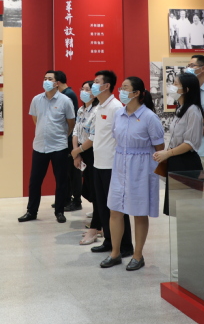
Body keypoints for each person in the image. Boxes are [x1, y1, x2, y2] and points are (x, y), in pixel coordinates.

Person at [101, 76, 165, 270]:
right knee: (115, 210)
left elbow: (159, 147)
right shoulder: (118, 114)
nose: (121, 91)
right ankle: (115, 253)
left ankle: (138, 255)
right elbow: (116, 137)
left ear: (136, 93)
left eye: (125, 88)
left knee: (139, 212)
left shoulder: (149, 117)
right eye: (121, 87)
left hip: (141, 168)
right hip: (120, 165)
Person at [19, 71, 76, 224]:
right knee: (35, 181)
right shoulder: (36, 99)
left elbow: (71, 123)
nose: (46, 81)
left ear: (57, 83)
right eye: (45, 78)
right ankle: (31, 211)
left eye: (50, 79)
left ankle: (59, 211)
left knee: (61, 181)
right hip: (39, 146)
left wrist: (60, 136)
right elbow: (35, 119)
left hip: (59, 146)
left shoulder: (65, 101)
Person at [88, 70, 134, 258]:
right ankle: (109, 241)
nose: (93, 85)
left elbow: (122, 136)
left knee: (117, 208)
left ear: (106, 86)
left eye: (96, 81)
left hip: (112, 165)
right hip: (98, 163)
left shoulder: (116, 107)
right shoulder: (99, 107)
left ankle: (126, 245)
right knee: (102, 206)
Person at [154, 72, 203, 216]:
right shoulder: (181, 109)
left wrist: (167, 153)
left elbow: (190, 143)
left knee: (187, 209)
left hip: (186, 162)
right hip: (176, 160)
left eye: (176, 84)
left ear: (186, 89)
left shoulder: (193, 110)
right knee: (176, 209)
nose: (172, 87)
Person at [70, 81, 100, 244]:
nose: (83, 91)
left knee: (95, 188)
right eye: (82, 89)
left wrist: (79, 150)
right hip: (82, 150)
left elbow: (93, 137)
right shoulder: (81, 109)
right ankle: (97, 219)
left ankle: (98, 225)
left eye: (87, 89)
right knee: (88, 185)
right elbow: (76, 130)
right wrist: (76, 151)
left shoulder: (97, 110)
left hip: (92, 151)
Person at [55, 71, 82, 212]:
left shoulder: (68, 95)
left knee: (73, 171)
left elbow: (71, 120)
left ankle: (76, 200)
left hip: (70, 138)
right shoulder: (65, 94)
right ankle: (66, 198)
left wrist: (68, 136)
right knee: (66, 171)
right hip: (67, 138)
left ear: (57, 82)